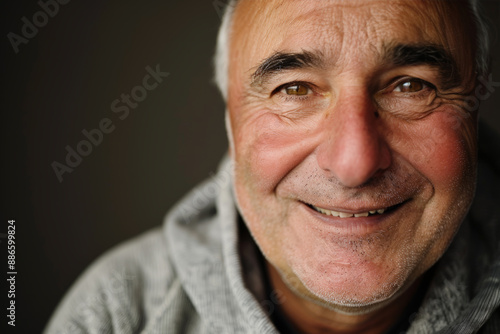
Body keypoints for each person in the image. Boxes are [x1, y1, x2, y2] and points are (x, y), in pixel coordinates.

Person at [44, 0, 500, 333]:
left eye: (410, 86)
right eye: (295, 89)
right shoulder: (117, 313)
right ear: (231, 124)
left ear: (475, 109)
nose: (354, 164)